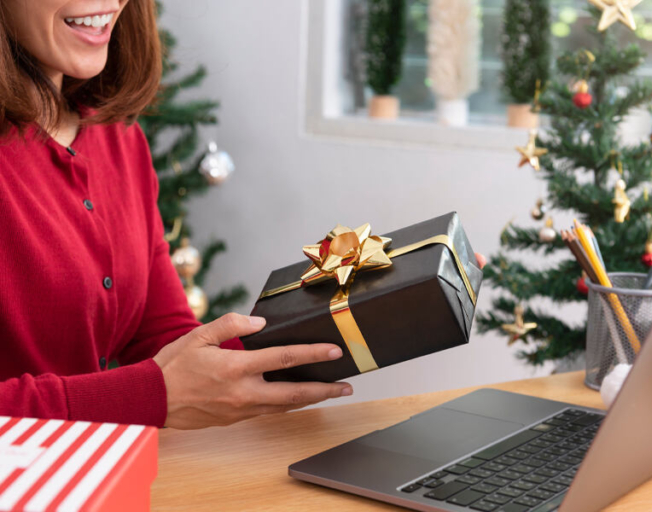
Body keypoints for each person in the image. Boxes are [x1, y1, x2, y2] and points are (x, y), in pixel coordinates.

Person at [0, 0, 487, 430]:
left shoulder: (119, 138)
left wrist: (362, 316)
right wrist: (147, 398)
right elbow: (155, 387)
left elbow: (163, 338)